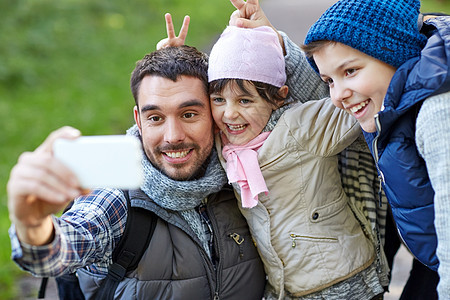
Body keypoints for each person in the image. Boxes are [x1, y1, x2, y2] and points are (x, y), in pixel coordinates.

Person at [7, 45, 268, 299]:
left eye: (189, 114)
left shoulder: (243, 175)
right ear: (138, 120)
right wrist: (32, 223)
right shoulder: (115, 198)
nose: (173, 136)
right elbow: (60, 249)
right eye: (155, 118)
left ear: (214, 114)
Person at [202, 22, 386, 299]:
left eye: (245, 101)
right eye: (218, 99)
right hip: (285, 289)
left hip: (343, 280)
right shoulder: (223, 143)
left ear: (279, 97)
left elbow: (352, 100)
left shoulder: (301, 127)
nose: (229, 114)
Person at [301, 0, 450, 298]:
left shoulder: (437, 114)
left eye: (351, 71)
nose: (338, 95)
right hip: (431, 258)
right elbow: (308, 96)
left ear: (393, 53)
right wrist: (269, 38)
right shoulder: (387, 102)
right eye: (330, 80)